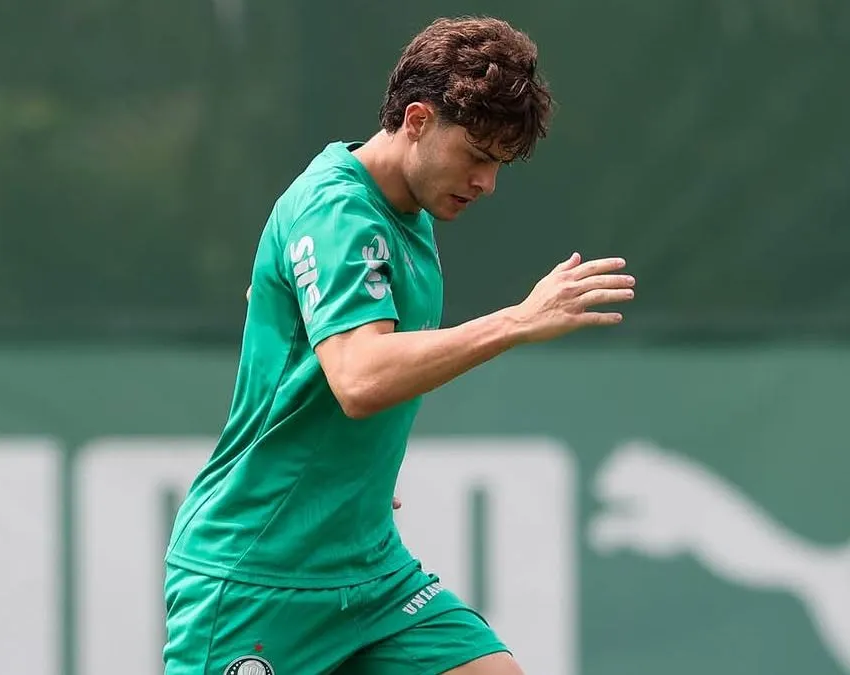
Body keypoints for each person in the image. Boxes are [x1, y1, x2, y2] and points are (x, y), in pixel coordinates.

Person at [163, 15, 634, 675]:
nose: (487, 183)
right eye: (476, 157)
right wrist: (518, 321)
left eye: (499, 164)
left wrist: (346, 469)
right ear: (416, 120)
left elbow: (280, 309)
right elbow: (358, 379)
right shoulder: (338, 211)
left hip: (367, 570)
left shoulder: (398, 206)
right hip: (260, 573)